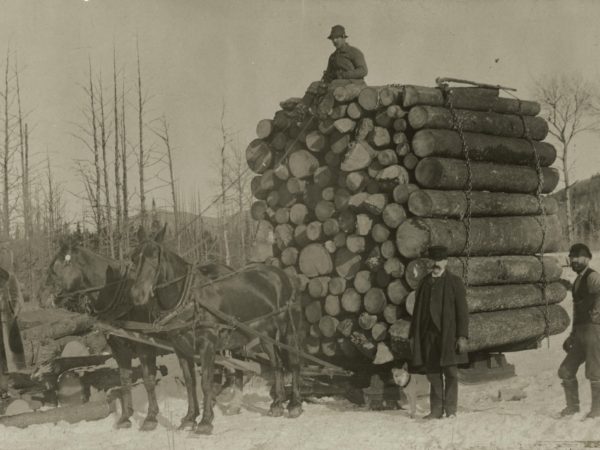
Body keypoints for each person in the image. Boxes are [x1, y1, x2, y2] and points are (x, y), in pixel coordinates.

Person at [409, 245, 469, 419]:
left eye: (440, 260)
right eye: (433, 260)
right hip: (429, 336)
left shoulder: (454, 282)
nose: (436, 264)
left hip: (448, 336)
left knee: (451, 373)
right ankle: (436, 410)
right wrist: (414, 335)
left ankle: (450, 410)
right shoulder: (424, 283)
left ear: (446, 261)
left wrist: (462, 336)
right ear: (429, 262)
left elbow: (462, 312)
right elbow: (417, 312)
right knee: (433, 373)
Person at [558, 243, 600, 418]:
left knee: (595, 371)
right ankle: (573, 406)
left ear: (588, 258)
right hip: (580, 332)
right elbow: (577, 310)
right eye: (572, 257)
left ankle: (598, 410)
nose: (574, 260)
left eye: (578, 257)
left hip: (593, 330)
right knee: (565, 370)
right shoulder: (578, 280)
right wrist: (572, 335)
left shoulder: (593, 276)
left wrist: (596, 314)